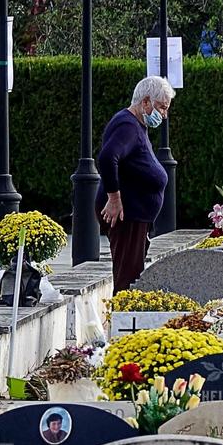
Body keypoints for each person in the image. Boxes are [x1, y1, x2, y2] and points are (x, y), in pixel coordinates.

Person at [98, 77, 173, 291]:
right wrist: (114, 198)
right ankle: (123, 320)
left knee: (131, 275)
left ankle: (126, 317)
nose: (164, 115)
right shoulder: (127, 125)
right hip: (128, 216)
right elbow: (107, 157)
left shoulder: (136, 125)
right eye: (162, 107)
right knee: (127, 279)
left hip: (136, 216)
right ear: (146, 102)